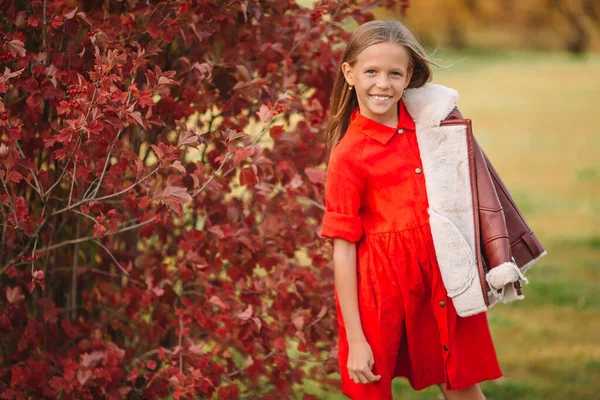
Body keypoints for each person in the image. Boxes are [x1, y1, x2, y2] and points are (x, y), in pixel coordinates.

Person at [320, 20, 546, 400]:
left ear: (409, 76)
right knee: (371, 384)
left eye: (394, 73)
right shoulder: (348, 155)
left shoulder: (433, 126)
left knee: (461, 384)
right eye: (371, 72)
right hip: (380, 291)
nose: (382, 84)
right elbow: (342, 248)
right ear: (350, 73)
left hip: (441, 277)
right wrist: (356, 338)